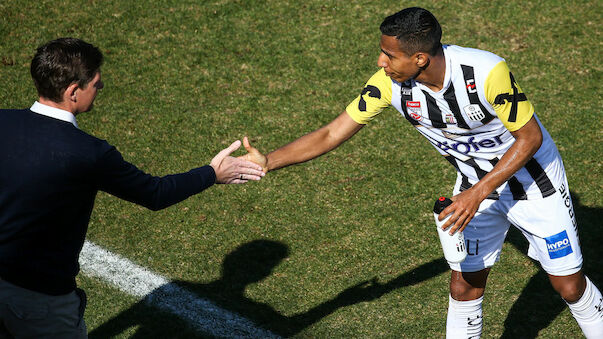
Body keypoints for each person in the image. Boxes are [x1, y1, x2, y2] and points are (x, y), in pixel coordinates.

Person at [240, 7, 603, 338]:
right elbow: (332, 132)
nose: (380, 61)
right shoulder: (388, 84)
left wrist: (476, 194)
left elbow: (530, 138)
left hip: (535, 182)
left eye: (389, 54)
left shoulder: (487, 72)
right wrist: (269, 160)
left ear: (419, 57)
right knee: (465, 284)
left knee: (568, 286)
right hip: (473, 189)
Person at [0, 37, 265, 338]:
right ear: (73, 92)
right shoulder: (89, 153)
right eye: (96, 83)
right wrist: (211, 173)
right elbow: (155, 193)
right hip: (41, 301)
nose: (100, 89)